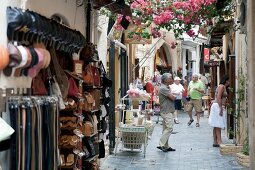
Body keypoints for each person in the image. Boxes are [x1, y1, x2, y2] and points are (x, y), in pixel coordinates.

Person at [157, 73, 176, 152]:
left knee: (166, 128)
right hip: (166, 111)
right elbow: (172, 97)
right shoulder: (163, 88)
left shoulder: (167, 87)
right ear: (165, 80)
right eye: (170, 78)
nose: (172, 79)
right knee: (169, 128)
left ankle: (166, 146)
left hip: (168, 110)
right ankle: (161, 144)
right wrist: (174, 96)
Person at [208, 75, 230, 147]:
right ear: (226, 80)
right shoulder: (222, 86)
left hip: (216, 105)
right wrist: (220, 108)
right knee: (218, 124)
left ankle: (215, 141)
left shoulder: (222, 86)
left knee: (215, 124)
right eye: (229, 80)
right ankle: (219, 141)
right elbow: (219, 97)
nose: (229, 82)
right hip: (218, 106)